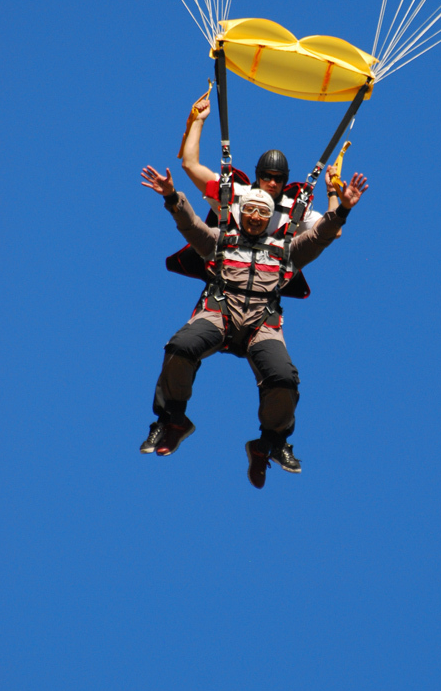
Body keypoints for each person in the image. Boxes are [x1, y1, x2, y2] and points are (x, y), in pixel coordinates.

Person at [139, 162, 368, 489]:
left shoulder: (286, 249)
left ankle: (271, 441)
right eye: (251, 211)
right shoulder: (221, 239)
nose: (257, 217)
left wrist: (342, 207)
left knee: (285, 378)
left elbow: (320, 236)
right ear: (241, 212)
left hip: (262, 324)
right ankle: (172, 418)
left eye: (264, 212)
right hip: (221, 312)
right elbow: (190, 226)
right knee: (180, 346)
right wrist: (173, 196)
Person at [180, 94, 343, 236]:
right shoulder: (233, 193)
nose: (272, 183)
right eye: (267, 176)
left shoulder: (293, 209)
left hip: (267, 270)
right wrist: (198, 121)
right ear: (258, 176)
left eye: (278, 179)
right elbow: (190, 165)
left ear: (285, 182)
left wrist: (332, 192)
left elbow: (334, 231)